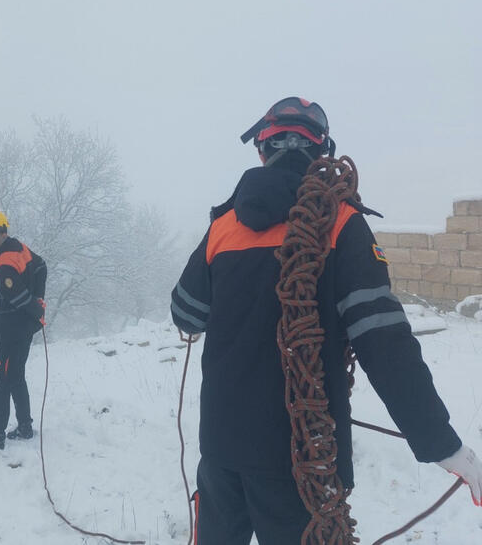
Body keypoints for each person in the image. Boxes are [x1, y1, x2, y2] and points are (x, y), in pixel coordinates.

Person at [171, 97, 482, 544]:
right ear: (322, 152)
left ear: (261, 149)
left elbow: (186, 314)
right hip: (300, 461)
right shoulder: (340, 223)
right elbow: (385, 343)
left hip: (220, 452)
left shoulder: (224, 226)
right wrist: (440, 442)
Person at [0, 210, 46, 450]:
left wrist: (36, 309)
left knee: (2, 382)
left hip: (11, 333)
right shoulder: (19, 249)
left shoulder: (4, 265)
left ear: (3, 233)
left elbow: (17, 296)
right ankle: (25, 427)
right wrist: (39, 301)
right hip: (22, 329)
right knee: (16, 377)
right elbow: (41, 266)